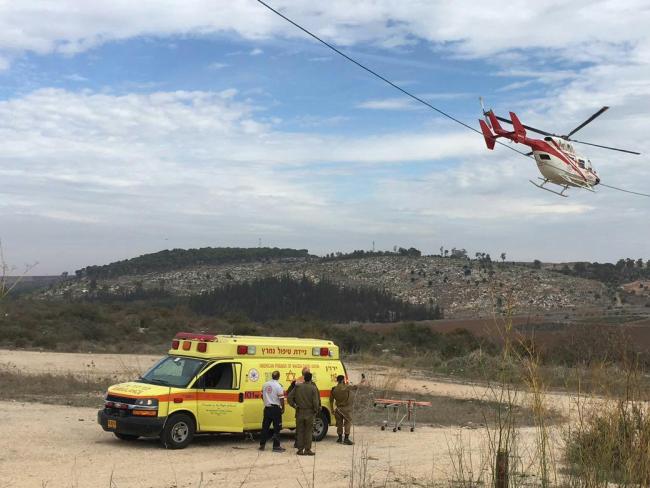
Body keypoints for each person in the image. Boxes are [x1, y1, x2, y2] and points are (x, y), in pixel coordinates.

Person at [288, 371, 320, 456]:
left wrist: (295, 406)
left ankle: (300, 449)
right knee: (308, 432)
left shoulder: (298, 387)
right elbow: (316, 402)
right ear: (311, 379)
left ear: (304, 378)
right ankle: (307, 449)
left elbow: (289, 398)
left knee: (300, 431)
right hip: (310, 413)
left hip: (299, 412)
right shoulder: (313, 388)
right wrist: (316, 410)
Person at [259, 370, 286, 452]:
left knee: (265, 428)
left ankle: (262, 445)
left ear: (272, 376)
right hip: (275, 409)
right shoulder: (278, 386)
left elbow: (261, 395)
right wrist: (283, 408)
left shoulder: (265, 384)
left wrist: (266, 402)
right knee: (277, 428)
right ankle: (276, 446)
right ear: (278, 376)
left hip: (267, 409)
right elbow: (281, 399)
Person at [330, 375, 357, 445]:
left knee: (339, 424)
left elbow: (331, 400)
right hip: (346, 409)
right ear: (342, 380)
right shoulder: (346, 387)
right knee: (348, 422)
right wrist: (362, 381)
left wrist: (332, 409)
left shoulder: (334, 389)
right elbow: (355, 387)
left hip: (338, 409)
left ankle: (339, 438)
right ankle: (346, 439)